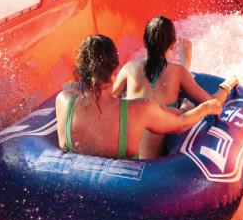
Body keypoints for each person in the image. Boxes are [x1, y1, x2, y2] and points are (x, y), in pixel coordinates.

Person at [56, 33, 224, 160]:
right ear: (115, 70)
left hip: (76, 194)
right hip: (124, 197)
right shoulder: (140, 109)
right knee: (178, 110)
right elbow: (180, 125)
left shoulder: (63, 100)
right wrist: (205, 108)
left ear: (79, 71)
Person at [113, 16, 239, 157]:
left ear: (145, 43)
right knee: (188, 107)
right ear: (173, 45)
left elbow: (108, 102)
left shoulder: (129, 68)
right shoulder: (178, 72)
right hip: (150, 162)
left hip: (124, 157)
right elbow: (212, 102)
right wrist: (228, 85)